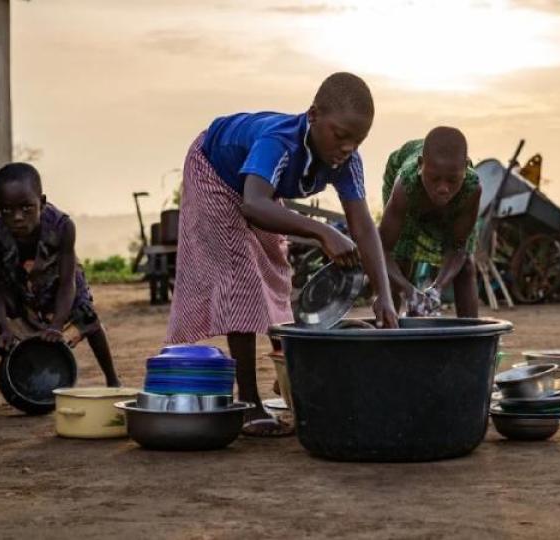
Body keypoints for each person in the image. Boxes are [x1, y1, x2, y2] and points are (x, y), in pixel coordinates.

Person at [166, 72, 399, 437]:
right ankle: (248, 404)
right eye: (340, 136)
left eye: (358, 141)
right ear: (313, 115)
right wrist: (322, 232)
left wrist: (384, 297)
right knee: (239, 276)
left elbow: (363, 226)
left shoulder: (347, 161)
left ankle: (286, 372)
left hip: (253, 191)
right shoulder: (279, 142)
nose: (347, 148)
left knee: (275, 268)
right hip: (213, 170)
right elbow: (254, 205)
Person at [0, 163, 121, 406]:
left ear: (42, 202)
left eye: (27, 208)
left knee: (88, 316)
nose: (17, 217)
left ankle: (114, 384)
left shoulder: (62, 227)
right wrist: (3, 329)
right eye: (7, 210)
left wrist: (57, 325)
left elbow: (68, 282)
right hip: (12, 279)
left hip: (56, 279)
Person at [378, 127, 482, 318]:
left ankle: (470, 338)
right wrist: (409, 291)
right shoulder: (405, 185)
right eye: (434, 179)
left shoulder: (471, 188)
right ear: (420, 166)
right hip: (407, 184)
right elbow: (382, 250)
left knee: (466, 265)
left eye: (452, 180)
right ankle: (387, 333)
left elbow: (458, 247)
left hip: (452, 203)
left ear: (466, 168)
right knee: (401, 257)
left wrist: (436, 289)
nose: (443, 188)